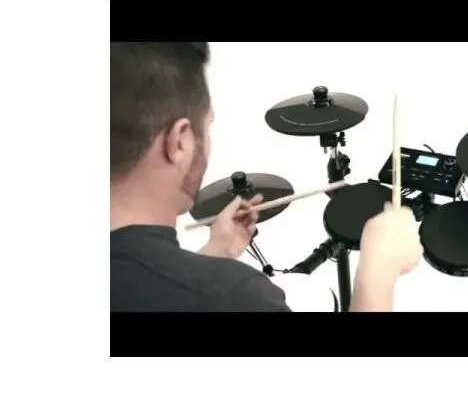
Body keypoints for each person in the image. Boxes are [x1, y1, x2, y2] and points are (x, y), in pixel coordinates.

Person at [110, 42, 422, 312]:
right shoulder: (235, 298)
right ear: (179, 141)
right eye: (209, 125)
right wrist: (377, 272)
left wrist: (216, 253)